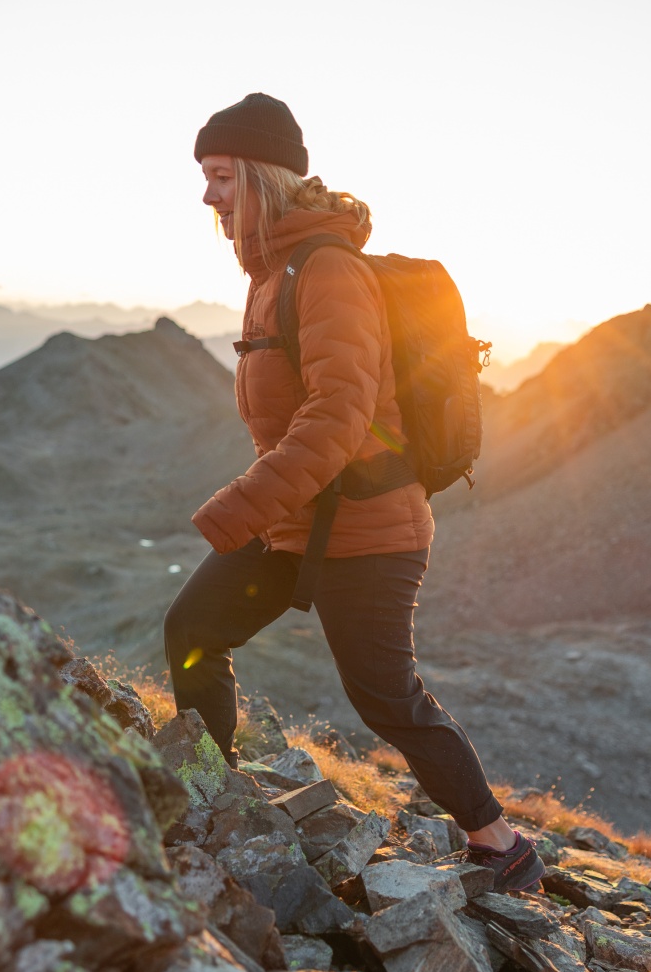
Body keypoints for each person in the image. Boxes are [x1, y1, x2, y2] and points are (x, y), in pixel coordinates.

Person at [165, 92, 543, 892]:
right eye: (204, 176)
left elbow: (335, 420)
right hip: (299, 525)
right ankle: (214, 792)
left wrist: (238, 509)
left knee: (386, 698)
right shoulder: (271, 271)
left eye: (222, 175)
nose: (207, 196)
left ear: (265, 178)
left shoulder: (326, 270)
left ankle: (500, 846)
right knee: (194, 626)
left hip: (371, 528)